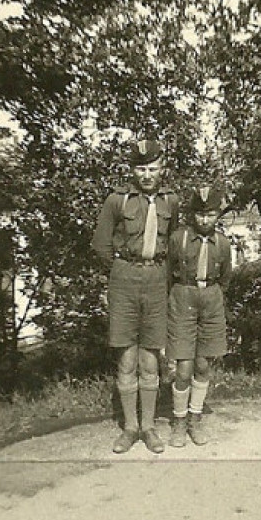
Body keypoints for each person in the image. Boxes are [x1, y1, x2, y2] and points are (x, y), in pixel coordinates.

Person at [92, 138, 180, 454]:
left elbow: (177, 245)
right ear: (132, 169)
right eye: (140, 168)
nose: (146, 174)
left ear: (162, 169)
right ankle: (130, 428)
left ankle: (149, 427)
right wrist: (120, 270)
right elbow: (101, 244)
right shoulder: (117, 201)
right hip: (124, 279)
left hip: (157, 279)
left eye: (152, 168)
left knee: (150, 358)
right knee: (126, 356)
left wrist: (165, 278)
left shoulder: (172, 202)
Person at [166, 184, 232, 447]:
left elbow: (226, 277)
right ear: (192, 214)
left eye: (211, 214)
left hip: (211, 299)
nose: (205, 219)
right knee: (183, 367)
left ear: (218, 215)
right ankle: (179, 422)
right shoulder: (179, 239)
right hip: (183, 296)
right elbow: (167, 272)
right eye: (200, 214)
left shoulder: (223, 244)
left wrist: (211, 297)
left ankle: (195, 419)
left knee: (203, 364)